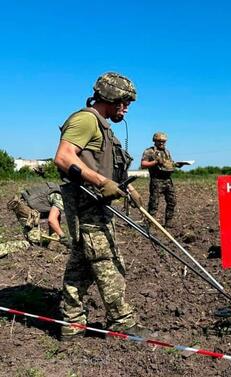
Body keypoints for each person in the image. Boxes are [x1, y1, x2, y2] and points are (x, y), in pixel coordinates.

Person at [54, 72, 147, 339]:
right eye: (124, 102)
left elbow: (104, 168)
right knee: (108, 263)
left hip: (95, 207)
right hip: (88, 208)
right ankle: (122, 320)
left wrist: (126, 187)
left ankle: (72, 323)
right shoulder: (85, 120)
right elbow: (63, 157)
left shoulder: (104, 128)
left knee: (80, 266)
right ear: (111, 97)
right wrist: (99, 181)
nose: (127, 108)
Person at [141, 132, 185, 226]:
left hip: (168, 180)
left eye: (164, 141)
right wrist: (155, 162)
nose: (162, 143)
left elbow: (169, 163)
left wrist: (177, 165)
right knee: (154, 203)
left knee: (172, 201)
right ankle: (149, 224)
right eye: (159, 141)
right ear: (155, 141)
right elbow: (143, 164)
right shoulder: (149, 151)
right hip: (157, 180)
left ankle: (168, 222)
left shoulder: (167, 151)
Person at [6, 182, 69, 246]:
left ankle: (54, 240)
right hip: (26, 209)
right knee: (33, 243)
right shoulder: (59, 197)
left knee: (56, 213)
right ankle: (4, 248)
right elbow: (52, 220)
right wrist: (63, 236)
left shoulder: (57, 190)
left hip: (28, 206)